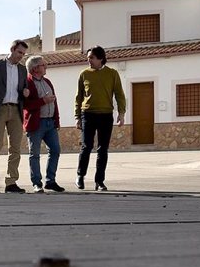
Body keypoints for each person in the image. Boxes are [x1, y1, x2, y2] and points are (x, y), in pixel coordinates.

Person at [74, 45, 127, 191]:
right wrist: (77, 116)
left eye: (91, 57)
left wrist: (121, 113)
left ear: (101, 58)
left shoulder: (112, 74)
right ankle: (80, 175)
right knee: (86, 146)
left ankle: (99, 181)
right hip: (88, 114)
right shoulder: (84, 74)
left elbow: (119, 94)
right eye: (88, 58)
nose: (88, 60)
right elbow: (79, 97)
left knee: (103, 149)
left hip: (105, 115)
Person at [0, 39, 30, 193]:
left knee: (15, 148)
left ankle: (11, 182)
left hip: (16, 110)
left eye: (23, 54)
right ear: (12, 49)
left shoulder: (23, 70)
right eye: (19, 52)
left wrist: (25, 93)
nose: (21, 56)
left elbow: (24, 90)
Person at [23, 56, 64, 193]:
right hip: (36, 123)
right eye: (43, 65)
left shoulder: (47, 82)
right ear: (35, 69)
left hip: (50, 123)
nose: (46, 67)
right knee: (34, 154)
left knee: (55, 150)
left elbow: (55, 102)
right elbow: (26, 105)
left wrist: (56, 120)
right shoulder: (27, 83)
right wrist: (43, 101)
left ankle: (50, 181)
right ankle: (36, 183)